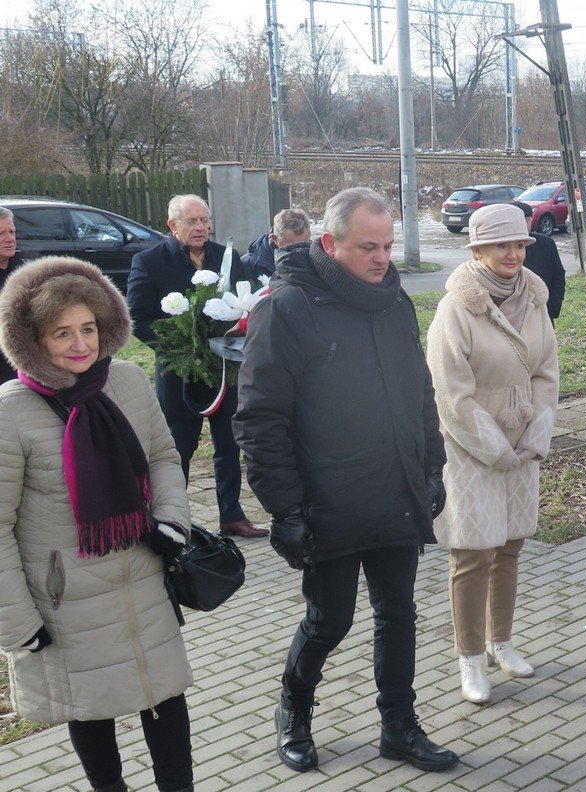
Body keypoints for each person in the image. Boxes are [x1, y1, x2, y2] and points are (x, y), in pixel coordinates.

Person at [234, 187, 458, 774]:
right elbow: (259, 420)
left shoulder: (395, 302)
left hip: (395, 491)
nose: (383, 258)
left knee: (398, 615)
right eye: (368, 247)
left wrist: (431, 466)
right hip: (325, 500)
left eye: (387, 246)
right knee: (329, 619)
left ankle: (399, 727)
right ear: (329, 244)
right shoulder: (285, 308)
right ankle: (294, 713)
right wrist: (284, 509)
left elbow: (420, 392)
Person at [0, 257, 195, 792]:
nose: (80, 344)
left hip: (141, 582)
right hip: (67, 603)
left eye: (88, 328)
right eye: (62, 332)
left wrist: (172, 519)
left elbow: (163, 456)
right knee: (91, 714)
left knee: (167, 703)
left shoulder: (127, 382)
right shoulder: (11, 412)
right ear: (32, 340)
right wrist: (16, 623)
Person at [426, 203, 559, 705]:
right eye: (502, 244)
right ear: (477, 248)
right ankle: (470, 657)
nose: (513, 254)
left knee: (509, 547)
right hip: (470, 448)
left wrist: (538, 428)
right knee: (472, 554)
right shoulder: (455, 308)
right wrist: (493, 446)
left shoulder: (534, 298)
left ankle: (501, 641)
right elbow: (450, 392)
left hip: (523, 446)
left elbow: (547, 368)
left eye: (521, 243)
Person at [126, 194, 267, 539]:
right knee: (179, 447)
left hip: (223, 369)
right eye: (192, 221)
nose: (201, 227)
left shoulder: (227, 257)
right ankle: (173, 520)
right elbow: (138, 316)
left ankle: (231, 516)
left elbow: (246, 305)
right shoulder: (149, 261)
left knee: (229, 444)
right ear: (172, 225)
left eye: (205, 220)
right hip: (179, 372)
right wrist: (177, 348)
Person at [510, 201, 566, 323]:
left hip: (543, 312)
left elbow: (558, 276)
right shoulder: (498, 249)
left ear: (529, 221)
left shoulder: (545, 243)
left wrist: (552, 306)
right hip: (511, 316)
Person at [241, 208, 312, 280]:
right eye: (292, 247)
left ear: (309, 235)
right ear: (274, 239)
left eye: (305, 245)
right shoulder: (249, 265)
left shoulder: (317, 259)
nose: (300, 251)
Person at [0, 207, 25, 382]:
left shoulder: (26, 273)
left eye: (12, 231)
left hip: (25, 371)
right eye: (0, 233)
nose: (9, 239)